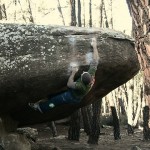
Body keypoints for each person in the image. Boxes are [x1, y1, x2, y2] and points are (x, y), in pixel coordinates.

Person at [28, 37, 100, 113]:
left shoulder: (80, 86)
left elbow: (69, 84)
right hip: (76, 94)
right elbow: (96, 60)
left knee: (55, 101)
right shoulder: (91, 74)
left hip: (72, 97)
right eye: (84, 73)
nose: (82, 73)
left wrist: (73, 72)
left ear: (81, 81)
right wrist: (94, 46)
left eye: (82, 75)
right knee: (54, 96)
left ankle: (41, 108)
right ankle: (47, 99)